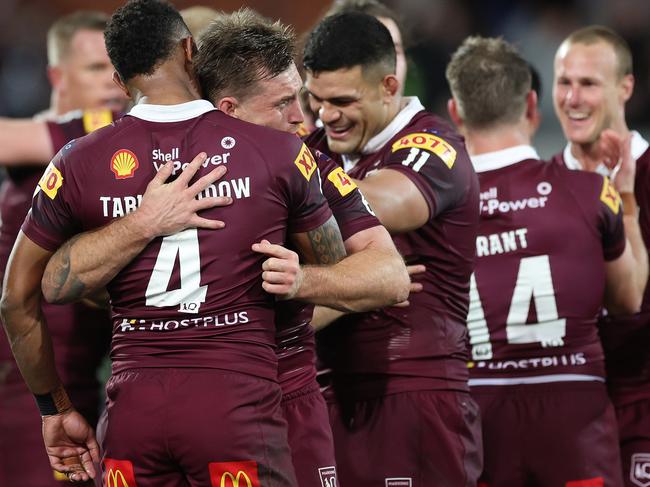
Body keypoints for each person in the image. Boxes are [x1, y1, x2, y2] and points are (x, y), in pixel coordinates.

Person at [2, 1, 408, 486]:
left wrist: (303, 281)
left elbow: (45, 287)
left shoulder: (82, 160)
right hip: (246, 397)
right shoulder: (286, 158)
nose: (305, 120)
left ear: (117, 77)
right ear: (220, 95)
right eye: (283, 103)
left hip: (166, 399)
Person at [447, 35, 647, 487]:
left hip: (476, 416)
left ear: (456, 114)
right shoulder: (590, 193)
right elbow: (629, 299)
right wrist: (628, 200)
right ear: (533, 103)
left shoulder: (429, 212)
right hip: (575, 417)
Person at [303, 12, 482, 486]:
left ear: (387, 86)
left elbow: (385, 202)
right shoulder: (315, 148)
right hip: (321, 392)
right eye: (315, 100)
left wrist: (282, 179)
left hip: (413, 392)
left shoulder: (435, 146)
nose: (326, 115)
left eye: (342, 100)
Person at [0, 10, 127, 487]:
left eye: (117, 70)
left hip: (85, 387)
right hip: (26, 395)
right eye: (96, 69)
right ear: (57, 75)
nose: (112, 84)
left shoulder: (96, 147)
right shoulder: (74, 137)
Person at [551, 26, 650, 486]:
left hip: (641, 408)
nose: (573, 98)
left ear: (625, 87)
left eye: (588, 83)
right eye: (563, 81)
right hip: (560, 415)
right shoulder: (537, 184)